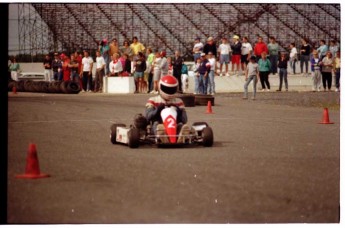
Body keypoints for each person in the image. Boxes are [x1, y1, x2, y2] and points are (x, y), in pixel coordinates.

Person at [144, 75, 189, 143]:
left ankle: (181, 136)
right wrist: (157, 110)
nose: (169, 91)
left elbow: (184, 120)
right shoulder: (153, 100)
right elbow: (147, 116)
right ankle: (161, 135)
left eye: (171, 89)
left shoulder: (178, 101)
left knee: (181, 125)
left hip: (174, 126)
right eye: (167, 89)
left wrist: (179, 111)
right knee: (157, 124)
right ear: (160, 87)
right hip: (158, 124)